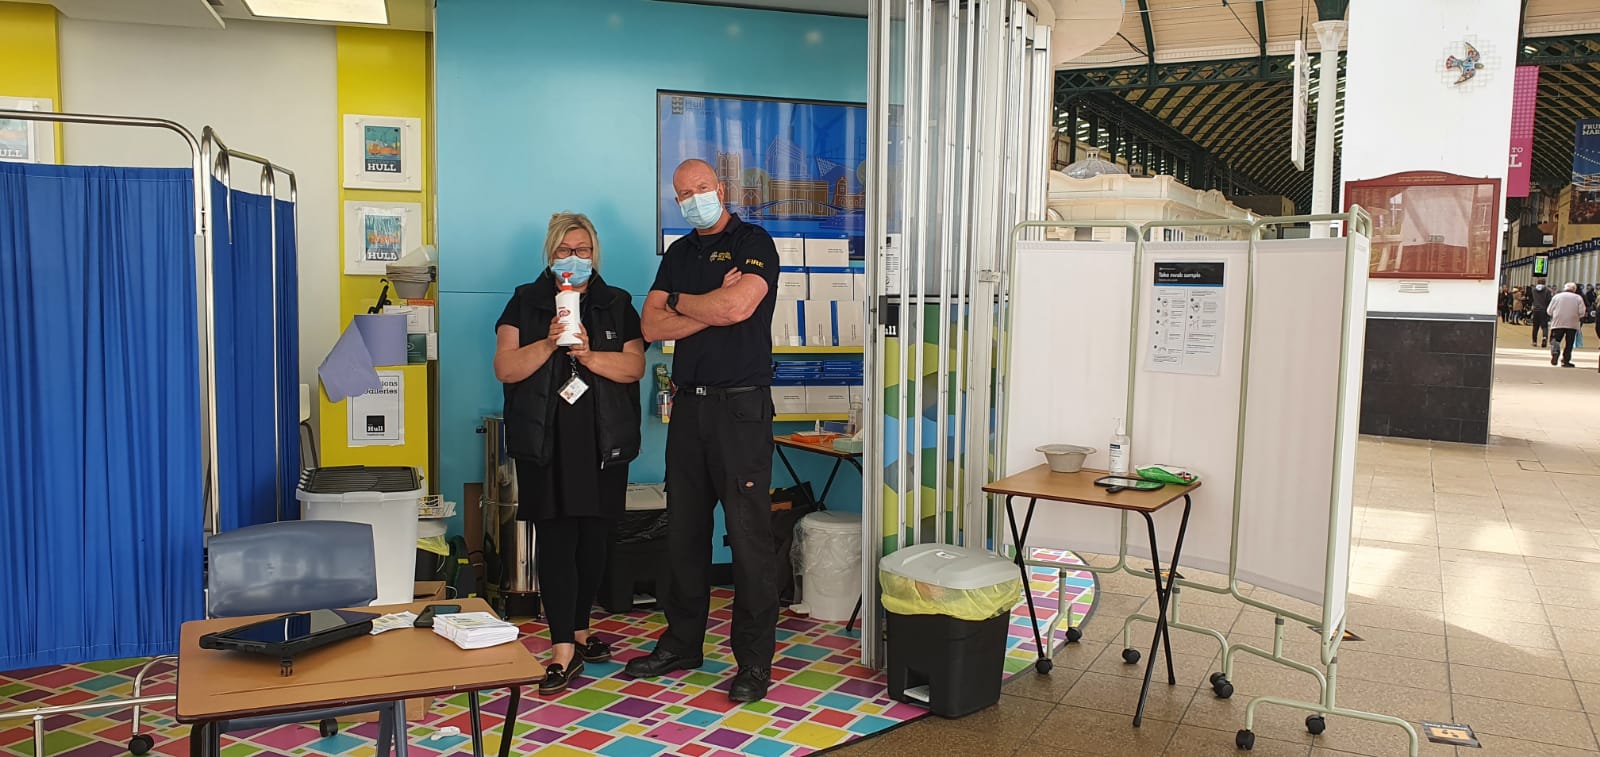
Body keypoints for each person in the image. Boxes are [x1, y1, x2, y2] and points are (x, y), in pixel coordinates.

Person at [625, 158, 781, 703]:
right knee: (684, 533)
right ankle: (682, 643)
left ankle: (754, 662)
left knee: (748, 538)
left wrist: (680, 303)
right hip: (688, 408)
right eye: (684, 193)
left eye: (702, 188)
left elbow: (738, 306)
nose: (694, 199)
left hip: (741, 409)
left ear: (721, 187)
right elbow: (650, 325)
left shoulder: (753, 242)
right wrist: (704, 306)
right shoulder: (679, 253)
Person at [494, 212, 645, 696]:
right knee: (557, 540)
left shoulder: (616, 302)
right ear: (550, 253)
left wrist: (587, 354)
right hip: (545, 443)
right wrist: (549, 340)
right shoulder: (525, 300)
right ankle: (561, 648)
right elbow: (506, 368)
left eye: (582, 250)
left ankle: (580, 631)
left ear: (594, 254)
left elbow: (634, 367)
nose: (573, 258)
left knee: (594, 540)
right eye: (564, 250)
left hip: (603, 443)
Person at [1547, 282, 1585, 368]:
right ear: (1574, 289)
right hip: (1572, 323)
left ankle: (1555, 351)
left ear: (1564, 288)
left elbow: (1549, 311)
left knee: (1555, 339)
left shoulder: (1557, 296)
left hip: (1558, 322)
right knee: (1569, 343)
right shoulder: (1578, 298)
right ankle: (1565, 361)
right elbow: (1582, 312)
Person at [1530, 279, 1554, 347]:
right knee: (1544, 326)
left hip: (1535, 310)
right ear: (1544, 283)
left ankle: (1534, 341)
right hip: (1544, 310)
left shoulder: (1533, 290)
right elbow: (1549, 300)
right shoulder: (1547, 290)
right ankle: (1544, 338)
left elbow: (1531, 299)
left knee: (1535, 326)